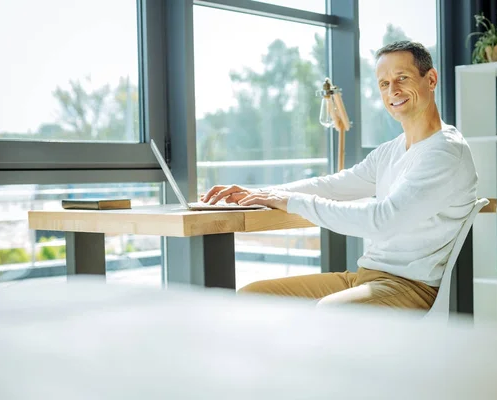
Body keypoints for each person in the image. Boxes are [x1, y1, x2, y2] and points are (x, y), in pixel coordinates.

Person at [202, 41, 478, 312]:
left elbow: (382, 221)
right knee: (252, 296)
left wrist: (291, 201)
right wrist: (265, 193)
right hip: (365, 276)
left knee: (329, 313)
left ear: (430, 79)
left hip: (410, 287)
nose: (392, 90)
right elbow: (334, 185)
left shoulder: (444, 152)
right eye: (384, 83)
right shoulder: (393, 149)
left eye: (402, 78)